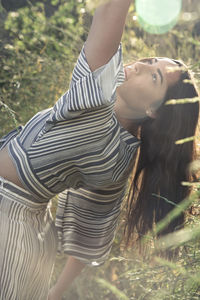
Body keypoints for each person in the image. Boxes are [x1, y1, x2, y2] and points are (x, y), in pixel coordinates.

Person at [0, 0, 199, 299]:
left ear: (153, 110)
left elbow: (109, 9)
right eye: (151, 60)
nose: (141, 65)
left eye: (154, 76)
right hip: (28, 242)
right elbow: (91, 231)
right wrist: (54, 292)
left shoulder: (98, 111)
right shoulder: (123, 156)